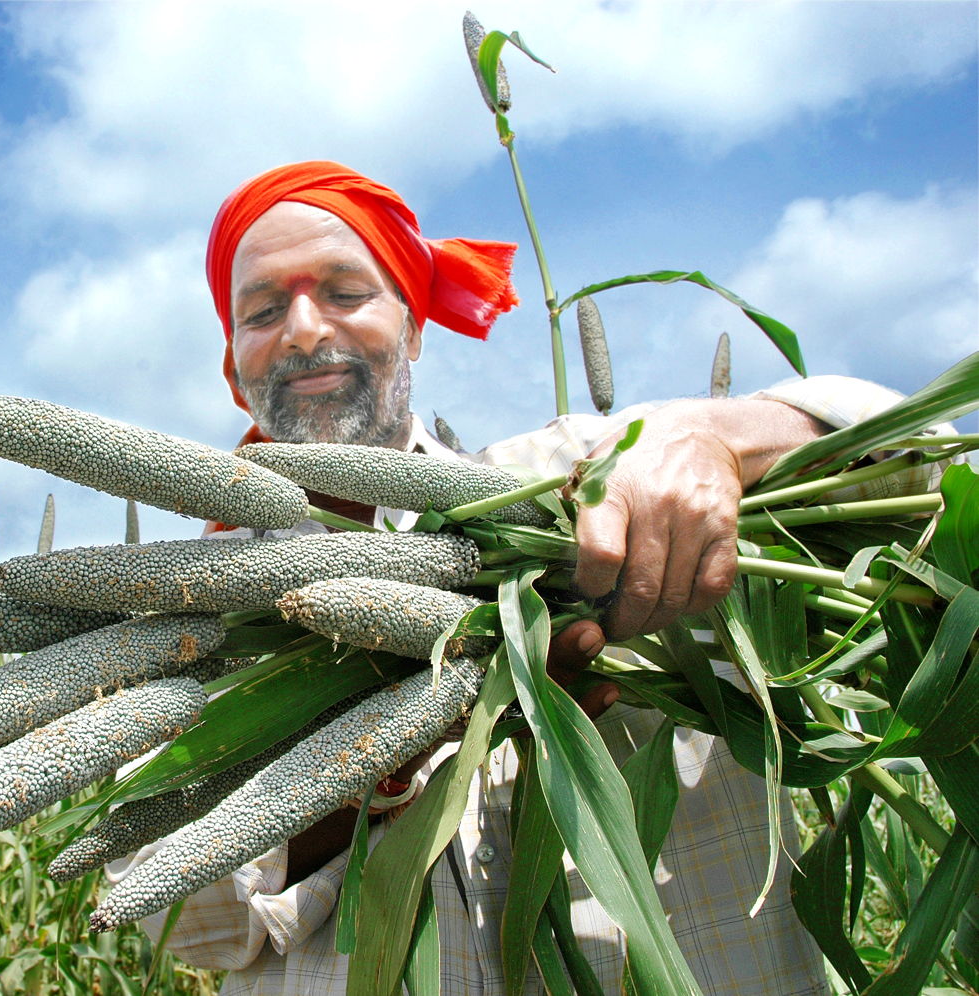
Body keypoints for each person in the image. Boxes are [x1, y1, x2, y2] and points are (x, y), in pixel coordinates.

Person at [106, 161, 934, 995]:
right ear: (234, 357)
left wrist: (720, 438)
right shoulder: (184, 613)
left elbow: (921, 461)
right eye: (262, 309)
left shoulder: (583, 478)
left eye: (346, 291)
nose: (302, 328)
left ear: (414, 325)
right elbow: (179, 915)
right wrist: (400, 733)